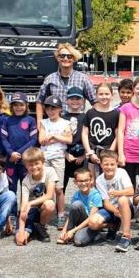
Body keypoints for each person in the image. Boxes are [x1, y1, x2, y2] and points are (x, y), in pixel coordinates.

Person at [91, 150, 135, 252]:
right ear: (101, 165)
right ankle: (113, 225)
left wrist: (116, 193)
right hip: (112, 209)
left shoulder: (122, 172)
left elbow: (131, 191)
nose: (109, 167)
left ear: (117, 164)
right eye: (106, 164)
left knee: (122, 199)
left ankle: (126, 236)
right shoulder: (99, 180)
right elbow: (106, 202)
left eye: (112, 164)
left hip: (126, 207)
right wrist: (115, 211)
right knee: (93, 223)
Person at [36, 43, 96, 115]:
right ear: (58, 58)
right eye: (62, 56)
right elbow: (39, 102)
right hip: (56, 123)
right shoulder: (49, 79)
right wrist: (40, 124)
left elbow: (95, 102)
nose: (65, 58)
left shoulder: (83, 79)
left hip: (77, 123)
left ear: (74, 59)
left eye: (69, 56)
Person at [40, 96, 72, 225]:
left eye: (53, 108)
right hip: (45, 158)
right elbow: (41, 140)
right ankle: (47, 211)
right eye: (47, 108)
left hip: (58, 157)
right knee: (46, 187)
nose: (50, 111)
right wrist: (60, 137)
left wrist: (52, 135)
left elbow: (69, 139)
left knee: (59, 188)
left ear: (59, 109)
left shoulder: (65, 123)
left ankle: (61, 214)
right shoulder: (44, 123)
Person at [16, 148, 59, 245]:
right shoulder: (25, 181)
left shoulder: (50, 171)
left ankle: (41, 226)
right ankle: (31, 229)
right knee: (20, 241)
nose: (34, 167)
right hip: (30, 212)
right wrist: (21, 231)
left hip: (42, 207)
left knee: (50, 204)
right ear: (26, 166)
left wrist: (30, 203)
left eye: (37, 163)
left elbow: (49, 195)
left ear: (43, 162)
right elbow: (23, 207)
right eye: (30, 165)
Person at [1, 92, 38, 194]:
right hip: (11, 160)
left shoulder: (31, 120)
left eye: (21, 105)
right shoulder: (7, 120)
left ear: (26, 105)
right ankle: (12, 210)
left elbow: (33, 140)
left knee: (26, 187)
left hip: (25, 161)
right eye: (15, 105)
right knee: (11, 187)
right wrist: (11, 152)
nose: (18, 108)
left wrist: (19, 153)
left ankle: (25, 210)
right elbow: (4, 138)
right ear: (11, 106)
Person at [58, 168, 104, 246]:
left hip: (90, 224)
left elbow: (91, 218)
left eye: (86, 180)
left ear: (91, 180)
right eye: (80, 181)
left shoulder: (96, 195)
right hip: (80, 223)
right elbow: (71, 215)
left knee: (78, 241)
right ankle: (67, 235)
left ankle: (95, 234)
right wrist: (64, 230)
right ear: (75, 182)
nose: (83, 183)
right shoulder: (76, 195)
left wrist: (73, 230)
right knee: (76, 204)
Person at [82, 82, 119, 173]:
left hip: (108, 150)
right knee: (91, 178)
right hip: (92, 150)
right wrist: (90, 152)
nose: (104, 96)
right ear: (96, 95)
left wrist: (110, 153)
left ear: (112, 95)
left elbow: (118, 135)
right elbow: (84, 133)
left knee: (108, 176)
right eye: (101, 94)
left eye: (107, 94)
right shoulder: (90, 113)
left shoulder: (116, 114)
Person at [63, 86, 88, 215]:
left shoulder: (86, 117)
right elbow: (58, 140)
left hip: (81, 155)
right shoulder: (62, 117)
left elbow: (89, 137)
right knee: (61, 185)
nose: (74, 101)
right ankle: (60, 211)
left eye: (78, 99)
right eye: (71, 99)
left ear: (83, 101)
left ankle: (85, 208)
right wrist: (65, 154)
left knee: (85, 182)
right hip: (65, 155)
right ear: (67, 100)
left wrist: (84, 156)